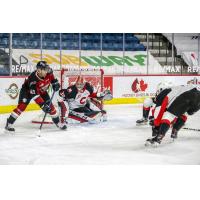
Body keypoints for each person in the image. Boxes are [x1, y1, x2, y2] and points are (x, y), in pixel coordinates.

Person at [5, 61, 67, 132]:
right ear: (39, 70)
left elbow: (52, 79)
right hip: (27, 92)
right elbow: (35, 96)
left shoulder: (49, 72)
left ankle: (57, 122)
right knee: (21, 107)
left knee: (51, 107)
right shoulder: (33, 79)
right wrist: (43, 106)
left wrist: (55, 83)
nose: (47, 71)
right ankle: (9, 123)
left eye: (47, 69)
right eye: (45, 69)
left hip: (42, 91)